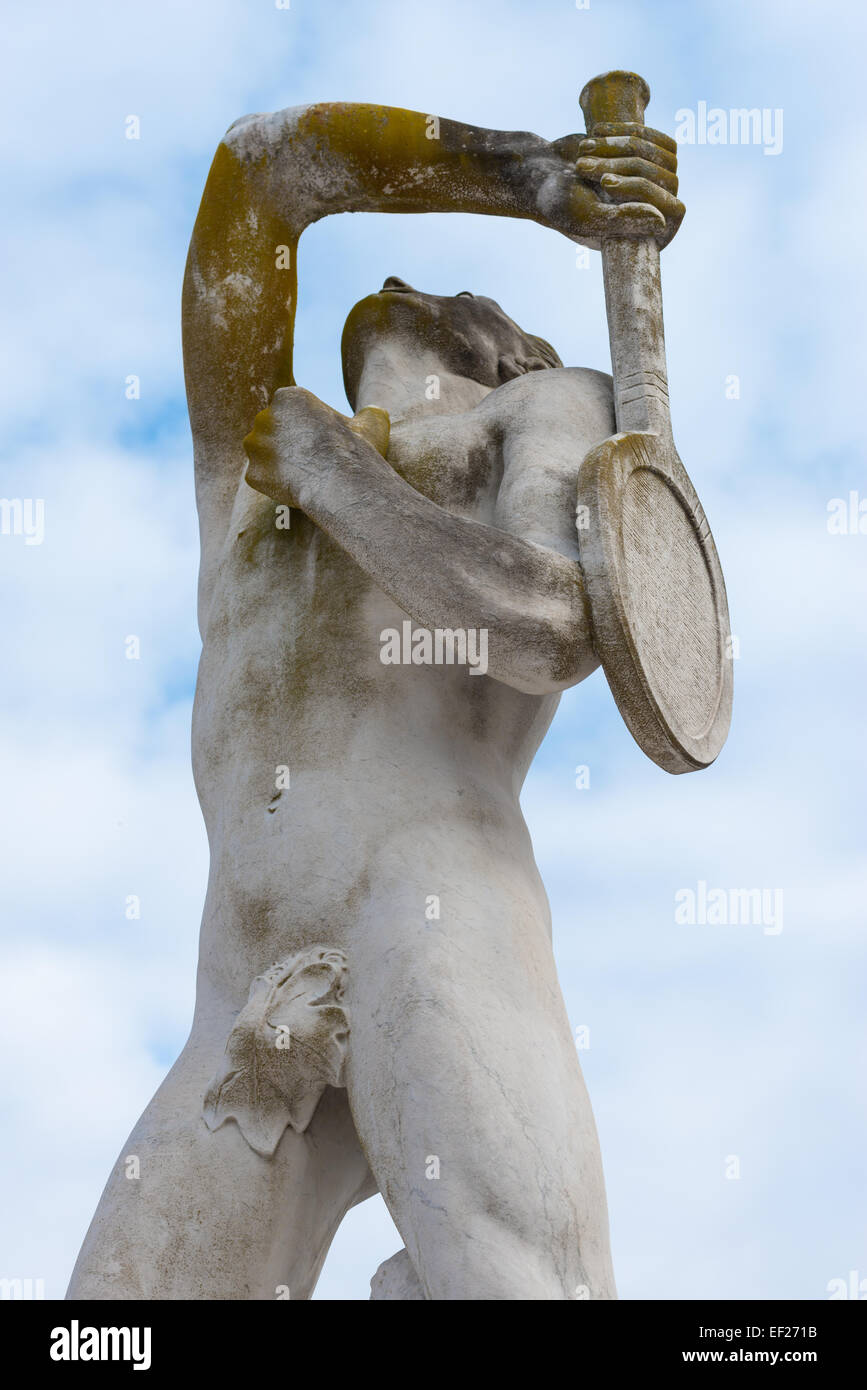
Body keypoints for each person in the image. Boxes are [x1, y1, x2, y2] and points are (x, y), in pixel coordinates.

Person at [68, 102, 682, 1301]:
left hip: (436, 920)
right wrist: (531, 174)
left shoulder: (539, 409)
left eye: (443, 294)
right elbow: (258, 173)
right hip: (244, 993)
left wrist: (342, 479)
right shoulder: (247, 463)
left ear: (507, 351)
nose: (399, 282)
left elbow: (554, 632)